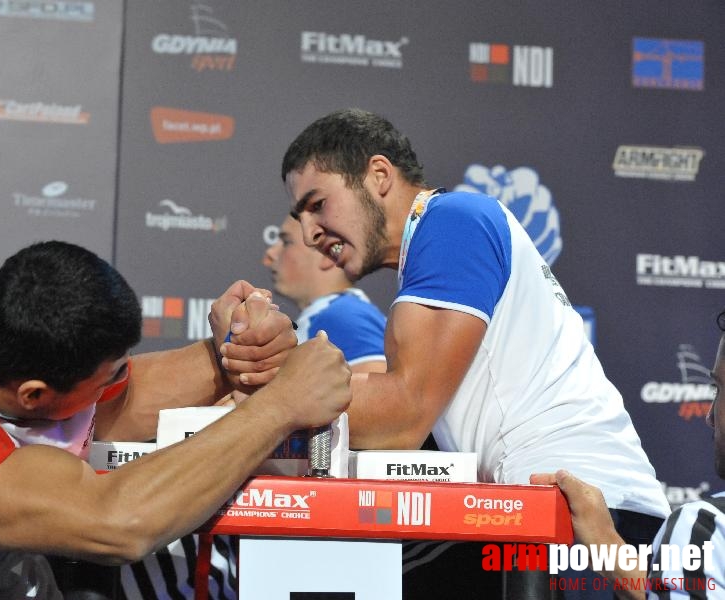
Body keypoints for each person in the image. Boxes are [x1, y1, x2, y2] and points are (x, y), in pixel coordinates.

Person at [279, 108, 670, 599]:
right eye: (302, 217)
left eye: (318, 204)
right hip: (555, 507)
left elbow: (401, 414)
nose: (311, 231)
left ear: (378, 175)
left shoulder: (451, 223)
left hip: (585, 512)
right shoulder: (437, 243)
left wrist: (266, 402)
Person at [0, 240, 351, 599]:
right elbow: (115, 523)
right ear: (34, 395)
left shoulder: (12, 319)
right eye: (107, 375)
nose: (119, 378)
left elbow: (124, 395)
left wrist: (235, 350)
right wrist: (279, 407)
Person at [117, 216, 389, 599]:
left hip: (322, 521)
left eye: (285, 242)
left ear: (327, 256)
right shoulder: (319, 317)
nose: (270, 254)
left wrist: (283, 395)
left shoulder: (340, 313)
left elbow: (358, 407)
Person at [532, 307, 725, 599]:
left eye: (719, 389)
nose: (710, 415)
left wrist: (606, 544)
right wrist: (608, 546)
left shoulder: (707, 528)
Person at [263, 214, 387, 374]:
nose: (271, 253)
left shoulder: (344, 316)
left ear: (329, 253)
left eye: (287, 242)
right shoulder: (337, 314)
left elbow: (378, 393)